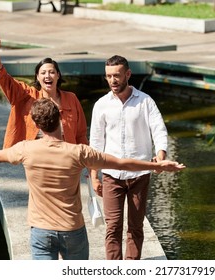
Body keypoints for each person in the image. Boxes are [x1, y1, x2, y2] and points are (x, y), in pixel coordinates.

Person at [0, 98, 185, 260]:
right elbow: (121, 163)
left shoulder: (25, 149)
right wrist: (157, 165)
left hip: (40, 230)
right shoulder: (79, 152)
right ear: (60, 119)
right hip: (72, 231)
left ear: (37, 126)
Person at [89, 55, 169, 260]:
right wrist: (94, 176)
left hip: (139, 175)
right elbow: (95, 143)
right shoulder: (101, 105)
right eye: (108, 76)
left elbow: (159, 131)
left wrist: (160, 157)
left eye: (116, 75)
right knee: (112, 227)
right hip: (111, 176)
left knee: (135, 227)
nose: (112, 80)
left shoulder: (145, 101)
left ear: (128, 74)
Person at [0, 28, 88, 148]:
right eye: (43, 73)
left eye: (51, 72)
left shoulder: (71, 99)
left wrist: (89, 163)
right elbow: (4, 80)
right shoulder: (27, 96)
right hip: (36, 158)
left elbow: (81, 134)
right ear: (37, 77)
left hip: (66, 158)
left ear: (58, 75)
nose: (47, 76)